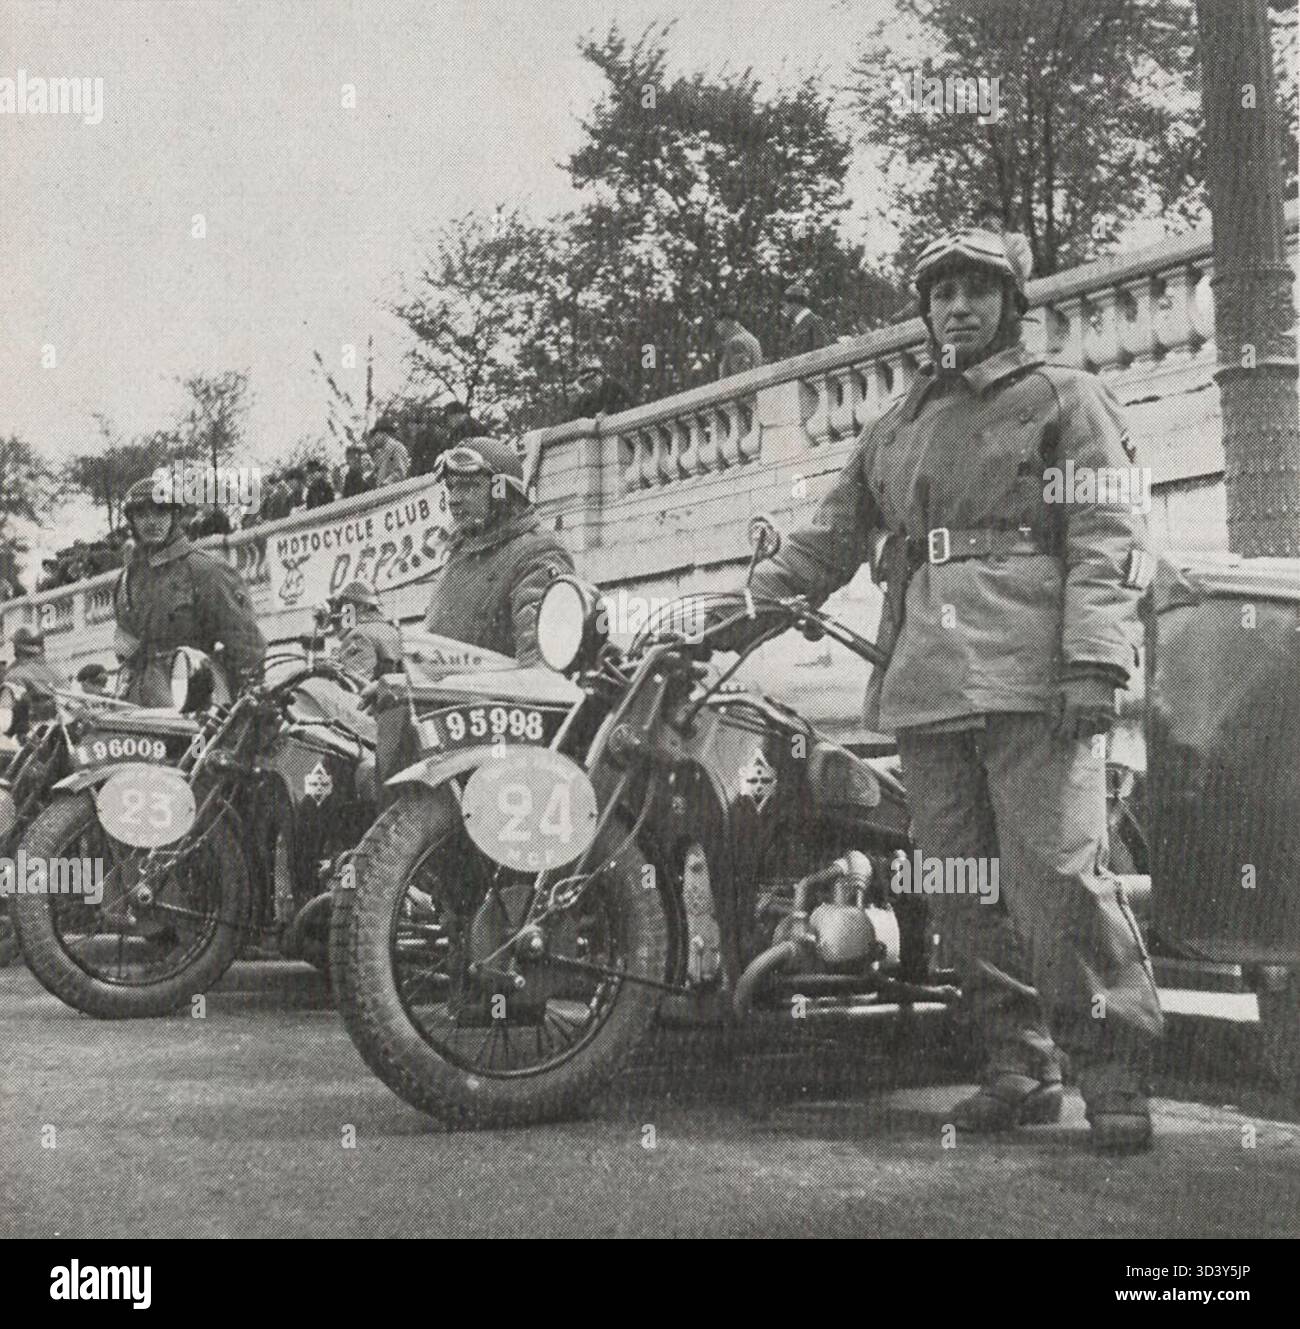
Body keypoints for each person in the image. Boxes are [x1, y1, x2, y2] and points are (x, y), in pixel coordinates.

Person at [734, 228, 1162, 1151]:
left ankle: (1114, 1076)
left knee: (1056, 885)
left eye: (977, 291)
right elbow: (828, 537)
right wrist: (741, 605)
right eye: (942, 294)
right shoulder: (898, 425)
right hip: (927, 684)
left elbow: (1108, 530)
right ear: (924, 312)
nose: (958, 307)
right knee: (960, 888)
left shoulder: (1065, 396)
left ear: (1010, 304)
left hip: (1033, 679)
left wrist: (1095, 660)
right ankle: (1020, 1065)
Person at [113, 476, 266, 706]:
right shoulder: (127, 579)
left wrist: (242, 704)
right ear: (132, 521)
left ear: (174, 516)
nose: (152, 522)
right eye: (142, 514)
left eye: (161, 512)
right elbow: (126, 648)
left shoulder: (204, 569)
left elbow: (247, 645)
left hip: (193, 696)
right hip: (139, 703)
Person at [422, 436, 574, 664]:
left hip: (495, 687)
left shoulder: (537, 552)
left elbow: (541, 662)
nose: (453, 499)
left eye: (468, 486)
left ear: (500, 491)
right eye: (451, 487)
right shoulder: (460, 552)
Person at [328, 580, 402, 683]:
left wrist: (337, 671)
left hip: (373, 691)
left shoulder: (359, 634)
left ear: (364, 607)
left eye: (348, 607)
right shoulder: (392, 631)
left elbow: (355, 685)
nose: (344, 613)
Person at [5, 627, 64, 717]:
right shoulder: (53, 669)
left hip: (32, 721)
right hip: (58, 719)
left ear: (17, 648)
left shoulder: (13, 674)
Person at [568, 355, 631, 420]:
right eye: (586, 380)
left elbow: (610, 403)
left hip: (626, 417)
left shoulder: (611, 384)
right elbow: (583, 412)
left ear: (599, 374)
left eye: (592, 377)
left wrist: (603, 413)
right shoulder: (592, 395)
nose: (589, 382)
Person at [779, 282, 830, 357]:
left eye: (784, 305)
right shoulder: (795, 327)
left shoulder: (814, 321)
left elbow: (822, 353)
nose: (782, 309)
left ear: (794, 303)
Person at [715, 307, 763, 379]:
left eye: (717, 324)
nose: (716, 329)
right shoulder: (752, 339)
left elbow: (740, 377)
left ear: (726, 321)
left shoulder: (736, 342)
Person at [367, 417, 411, 487]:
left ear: (383, 434)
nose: (374, 439)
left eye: (375, 435)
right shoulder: (382, 453)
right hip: (384, 491)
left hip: (396, 490)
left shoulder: (396, 447)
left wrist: (385, 483)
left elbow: (400, 472)